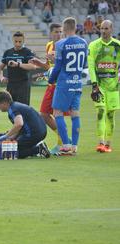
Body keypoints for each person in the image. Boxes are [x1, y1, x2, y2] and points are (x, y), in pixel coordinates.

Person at [48, 17, 88, 155]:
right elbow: (84, 65)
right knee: (75, 114)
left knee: (57, 112)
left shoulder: (60, 44)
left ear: (64, 29)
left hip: (64, 83)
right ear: (75, 27)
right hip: (77, 83)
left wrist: (51, 79)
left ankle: (65, 146)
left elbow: (58, 66)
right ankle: (75, 146)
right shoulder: (84, 43)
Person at [29, 23, 65, 154]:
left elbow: (66, 66)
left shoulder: (66, 46)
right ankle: (63, 138)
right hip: (51, 85)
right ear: (51, 33)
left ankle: (62, 143)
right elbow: (48, 66)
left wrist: (54, 60)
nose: (59, 34)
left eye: (60, 31)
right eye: (56, 31)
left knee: (58, 114)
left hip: (61, 85)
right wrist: (39, 63)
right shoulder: (49, 45)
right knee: (44, 114)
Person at [88, 20, 120, 153]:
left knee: (110, 114)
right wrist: (94, 84)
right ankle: (100, 142)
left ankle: (108, 143)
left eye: (106, 28)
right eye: (101, 28)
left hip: (113, 86)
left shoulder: (117, 45)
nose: (103, 31)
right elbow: (91, 65)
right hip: (99, 85)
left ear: (111, 29)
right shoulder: (94, 45)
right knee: (101, 111)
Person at [0, 91, 50, 159]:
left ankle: (38, 149)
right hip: (42, 131)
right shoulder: (16, 105)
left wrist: (6, 136)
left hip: (34, 134)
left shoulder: (12, 109)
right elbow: (20, 128)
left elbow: (19, 124)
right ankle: (36, 146)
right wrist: (11, 137)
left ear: (4, 103)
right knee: (15, 143)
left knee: (13, 151)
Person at [0, 31, 36, 105]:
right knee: (10, 108)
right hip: (11, 85)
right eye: (16, 41)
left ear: (23, 41)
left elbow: (33, 66)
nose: (18, 44)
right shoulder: (8, 52)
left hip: (23, 85)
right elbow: (0, 68)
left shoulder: (28, 52)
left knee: (22, 108)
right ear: (12, 40)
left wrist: (18, 64)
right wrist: (1, 78)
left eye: (20, 41)